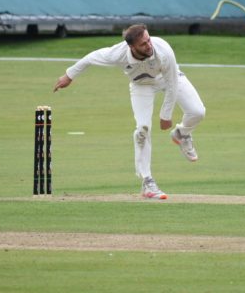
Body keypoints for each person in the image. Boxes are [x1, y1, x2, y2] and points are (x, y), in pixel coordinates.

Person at [53, 24, 206, 200]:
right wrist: (69, 75)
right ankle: (147, 181)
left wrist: (166, 115)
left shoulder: (163, 50)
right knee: (142, 129)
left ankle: (182, 134)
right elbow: (90, 58)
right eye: (143, 44)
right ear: (131, 47)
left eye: (148, 40)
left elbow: (172, 84)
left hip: (168, 79)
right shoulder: (117, 53)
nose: (149, 45)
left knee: (197, 112)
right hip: (141, 86)